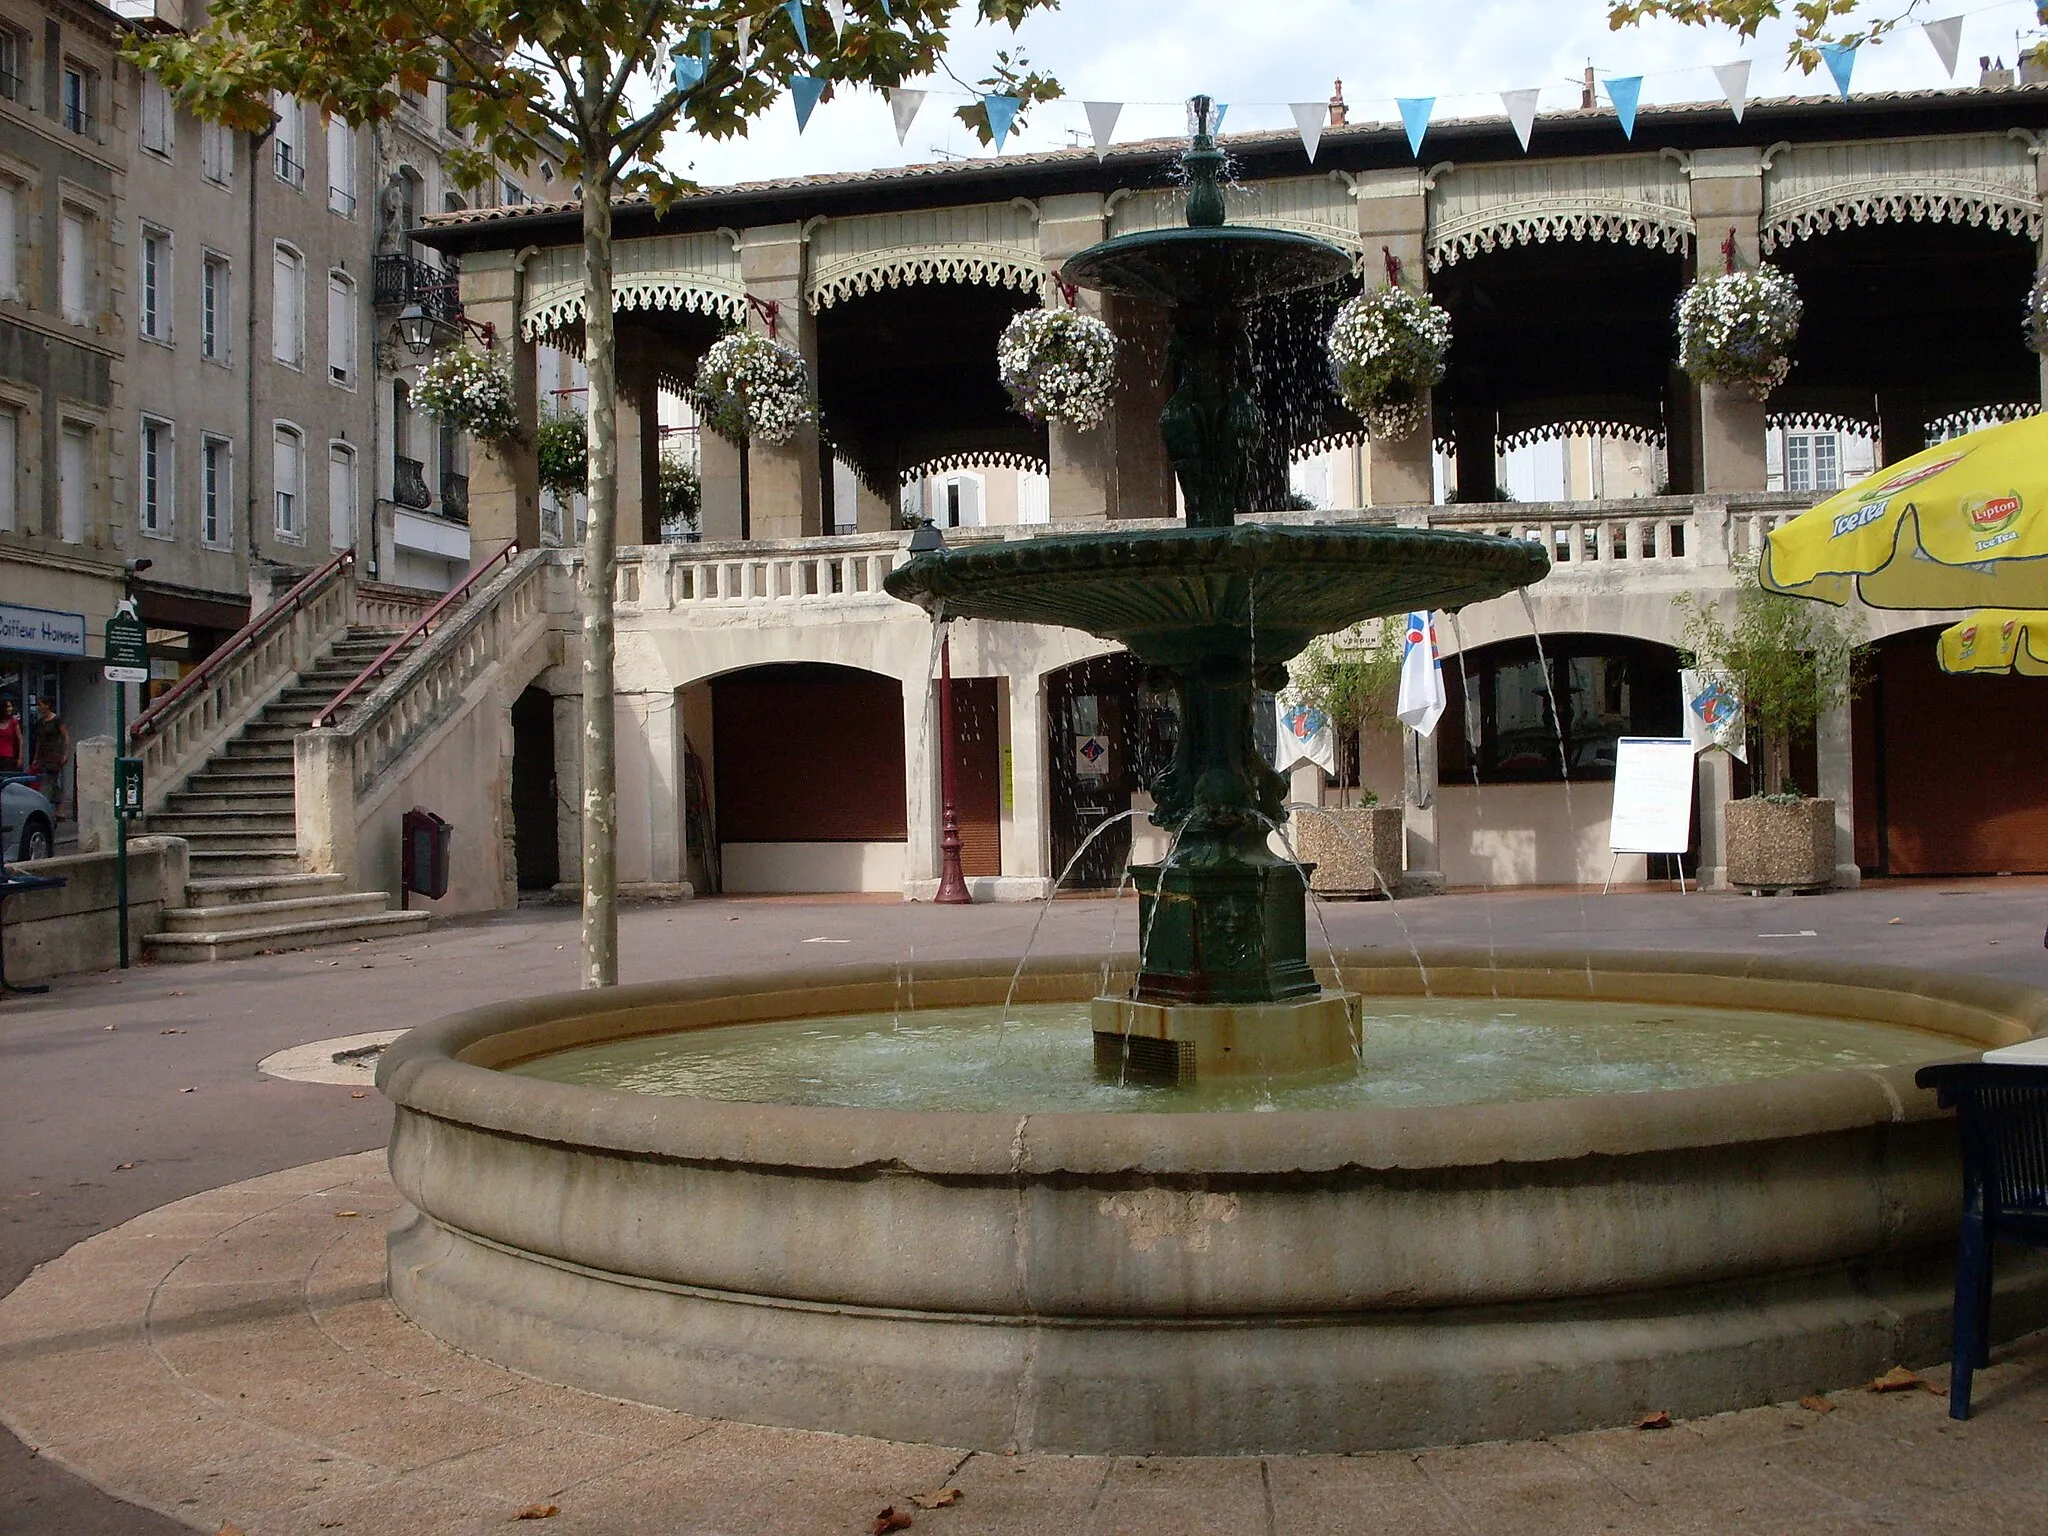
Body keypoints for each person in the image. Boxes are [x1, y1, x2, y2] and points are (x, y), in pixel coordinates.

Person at [29, 697, 67, 805]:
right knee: (51, 781)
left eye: (40, 705)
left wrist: (65, 753)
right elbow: (39, 740)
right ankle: (59, 806)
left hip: (54, 754)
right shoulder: (40, 722)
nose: (38, 707)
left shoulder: (57, 720)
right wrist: (35, 757)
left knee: (49, 779)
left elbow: (65, 737)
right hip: (42, 755)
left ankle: (44, 803)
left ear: (47, 705)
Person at [0, 700, 20, 775]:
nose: (11, 708)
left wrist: (20, 758)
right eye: (8, 706)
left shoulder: (13, 721)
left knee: (7, 777)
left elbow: (20, 740)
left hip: (8, 756)